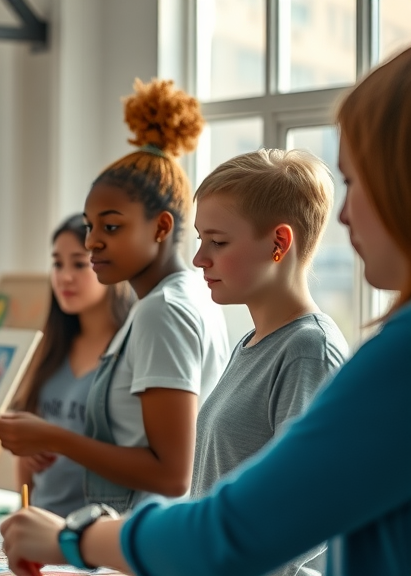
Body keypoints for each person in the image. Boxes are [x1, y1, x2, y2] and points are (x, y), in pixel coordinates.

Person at [0, 46, 411, 576]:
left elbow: (246, 528)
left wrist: (80, 537)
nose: (347, 214)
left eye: (358, 181)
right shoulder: (250, 342)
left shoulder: (337, 350)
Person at [0, 78, 230, 513]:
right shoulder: (181, 298)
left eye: (112, 226)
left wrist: (52, 436)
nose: (92, 243)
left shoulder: (164, 310)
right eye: (90, 226)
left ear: (160, 228)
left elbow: (173, 475)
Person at [190, 149, 349, 575]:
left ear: (279, 242)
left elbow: (309, 511)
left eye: (217, 242)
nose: (199, 259)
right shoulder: (250, 343)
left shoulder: (308, 351)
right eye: (200, 240)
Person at [4, 214, 133, 517]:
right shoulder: (50, 347)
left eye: (78, 263)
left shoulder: (131, 349)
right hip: (41, 520)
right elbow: (26, 450)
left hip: (98, 532)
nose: (64, 277)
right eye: (57, 264)